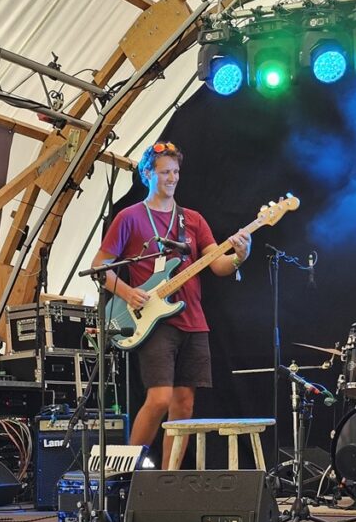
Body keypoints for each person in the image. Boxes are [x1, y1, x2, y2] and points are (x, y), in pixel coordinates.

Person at [90, 142, 250, 470]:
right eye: (165, 172)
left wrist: (239, 257)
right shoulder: (129, 217)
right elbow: (99, 267)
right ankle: (124, 470)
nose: (173, 178)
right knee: (160, 398)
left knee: (184, 404)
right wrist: (128, 292)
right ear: (147, 173)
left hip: (193, 319)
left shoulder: (192, 220)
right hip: (154, 321)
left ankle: (168, 478)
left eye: (176, 172)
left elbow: (217, 265)